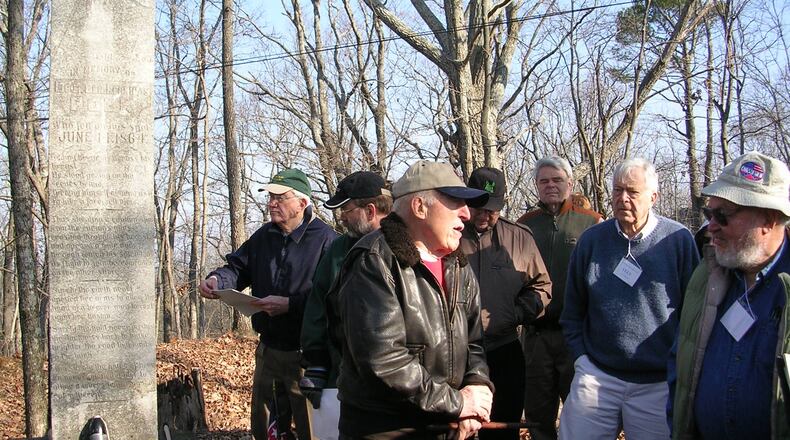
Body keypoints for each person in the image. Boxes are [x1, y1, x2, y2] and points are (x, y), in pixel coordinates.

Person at [327, 160, 494, 439]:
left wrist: (477, 390)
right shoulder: (374, 261)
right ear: (419, 207)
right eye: (455, 201)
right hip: (388, 429)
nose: (466, 213)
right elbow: (383, 362)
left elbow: (474, 343)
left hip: (450, 427)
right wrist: (458, 403)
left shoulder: (457, 263)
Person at [559, 158, 699, 440]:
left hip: (657, 382)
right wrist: (582, 359)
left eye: (632, 192)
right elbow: (572, 309)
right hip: (597, 375)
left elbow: (694, 313)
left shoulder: (677, 240)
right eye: (617, 190)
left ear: (653, 197)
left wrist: (678, 367)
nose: (623, 198)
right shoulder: (592, 240)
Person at [199, 168, 337, 440]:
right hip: (268, 350)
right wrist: (217, 280)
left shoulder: (326, 241)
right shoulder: (264, 236)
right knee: (265, 426)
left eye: (280, 198)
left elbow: (332, 297)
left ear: (302, 203)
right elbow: (238, 268)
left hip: (307, 355)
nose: (272, 203)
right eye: (270, 197)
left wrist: (290, 304)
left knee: (311, 428)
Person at [668, 152, 790, 439]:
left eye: (724, 215)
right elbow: (680, 365)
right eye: (710, 214)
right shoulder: (707, 276)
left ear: (769, 219)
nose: (711, 226)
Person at [459, 167, 552, 440]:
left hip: (504, 349)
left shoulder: (519, 237)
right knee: (453, 430)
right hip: (455, 353)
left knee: (501, 430)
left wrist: (515, 314)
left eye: (492, 209)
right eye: (478, 207)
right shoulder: (448, 234)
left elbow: (542, 286)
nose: (484, 215)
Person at [299, 171, 392, 439]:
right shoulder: (338, 251)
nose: (341, 216)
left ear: (371, 210)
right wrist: (316, 362)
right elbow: (318, 305)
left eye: (346, 209)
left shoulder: (404, 248)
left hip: (396, 383)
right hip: (340, 378)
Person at [516, 156, 601, 440]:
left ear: (570, 183)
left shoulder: (592, 223)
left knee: (582, 415)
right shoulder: (524, 226)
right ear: (537, 186)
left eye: (556, 180)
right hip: (536, 337)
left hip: (575, 336)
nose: (550, 185)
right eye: (544, 181)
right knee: (538, 416)